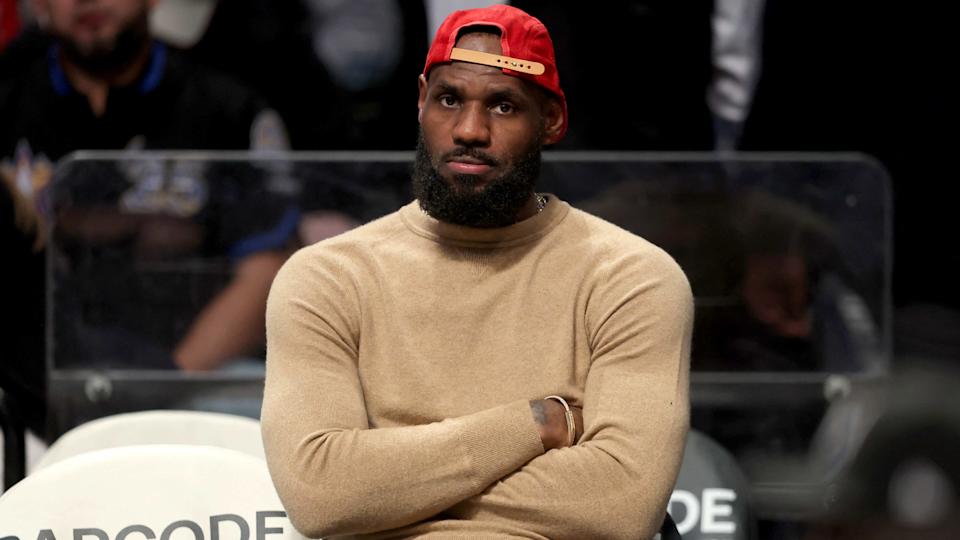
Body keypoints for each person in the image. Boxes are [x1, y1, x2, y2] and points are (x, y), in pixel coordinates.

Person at [261, 5, 693, 539]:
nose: (469, 130)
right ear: (420, 101)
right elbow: (322, 495)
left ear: (552, 120)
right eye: (448, 99)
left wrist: (391, 488)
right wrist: (536, 422)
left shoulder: (630, 277)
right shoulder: (327, 277)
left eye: (504, 106)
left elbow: (622, 505)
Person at [0, 0, 294, 428]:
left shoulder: (226, 108)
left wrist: (161, 391)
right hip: (27, 388)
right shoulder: (8, 99)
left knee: (266, 406)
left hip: (192, 379)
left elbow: (268, 269)